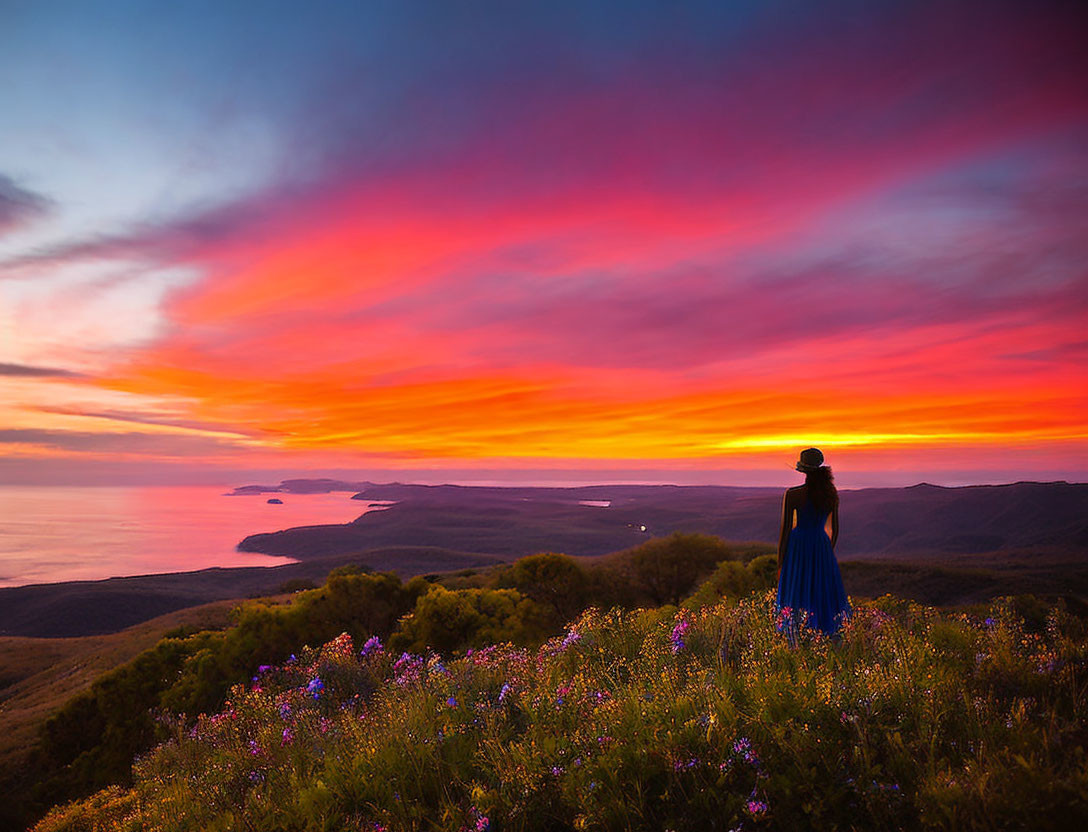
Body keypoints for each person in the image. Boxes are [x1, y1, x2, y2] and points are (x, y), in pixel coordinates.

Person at [775, 447, 850, 639]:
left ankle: (797, 633)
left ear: (803, 470)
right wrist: (825, 552)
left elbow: (784, 532)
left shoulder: (793, 494)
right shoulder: (830, 494)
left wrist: (781, 564)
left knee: (797, 589)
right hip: (821, 545)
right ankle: (825, 633)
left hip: (798, 546)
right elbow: (835, 529)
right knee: (821, 590)